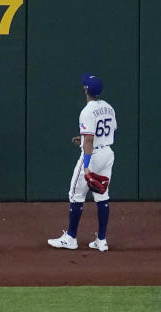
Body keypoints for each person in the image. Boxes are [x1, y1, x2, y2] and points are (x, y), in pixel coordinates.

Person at [47, 73, 116, 252]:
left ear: (86, 90)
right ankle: (101, 240)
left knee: (76, 194)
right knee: (102, 195)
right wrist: (84, 137)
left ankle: (70, 237)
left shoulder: (86, 111)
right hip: (107, 153)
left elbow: (90, 142)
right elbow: (110, 132)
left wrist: (86, 166)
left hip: (92, 155)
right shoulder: (109, 107)